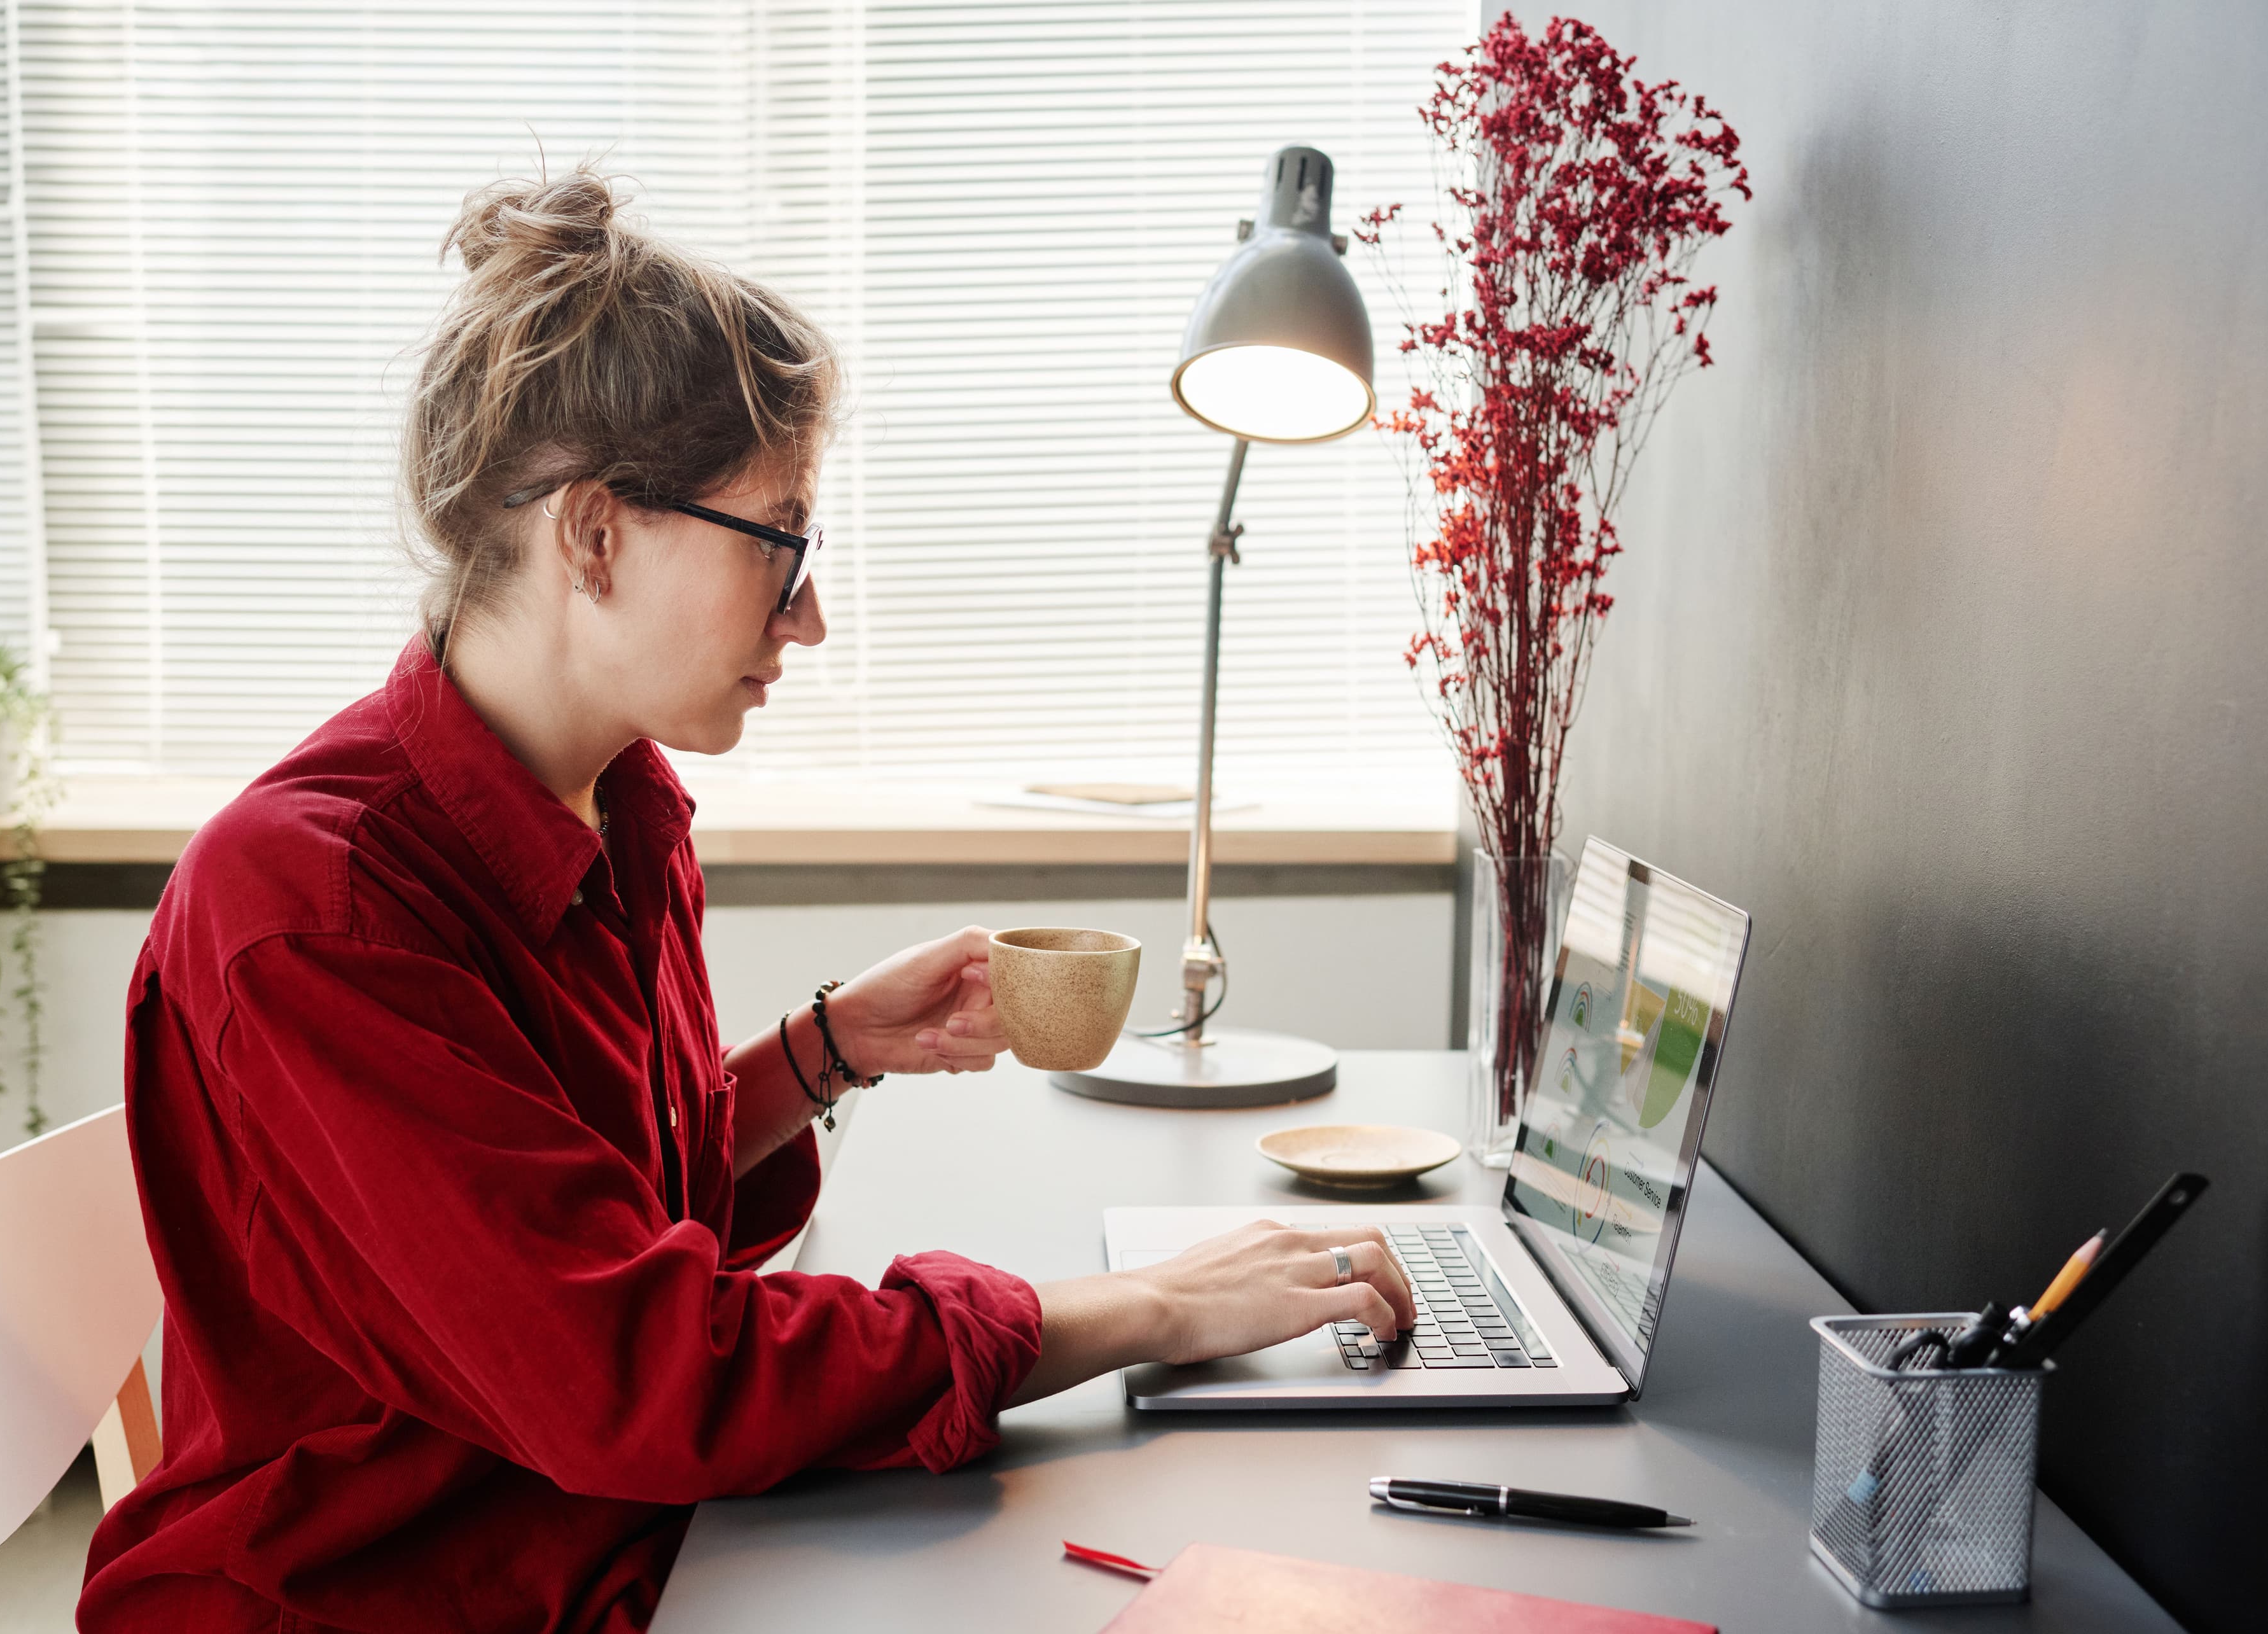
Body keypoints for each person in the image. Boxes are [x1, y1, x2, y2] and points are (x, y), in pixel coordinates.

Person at [76, 167, 1414, 1634]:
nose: (810, 615)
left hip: (603, 1540)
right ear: (596, 535)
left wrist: (823, 1052)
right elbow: (639, 1370)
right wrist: (1134, 1311)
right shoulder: (312, 911)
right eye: (779, 542)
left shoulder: (621, 803)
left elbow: (600, 1216)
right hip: (380, 1597)